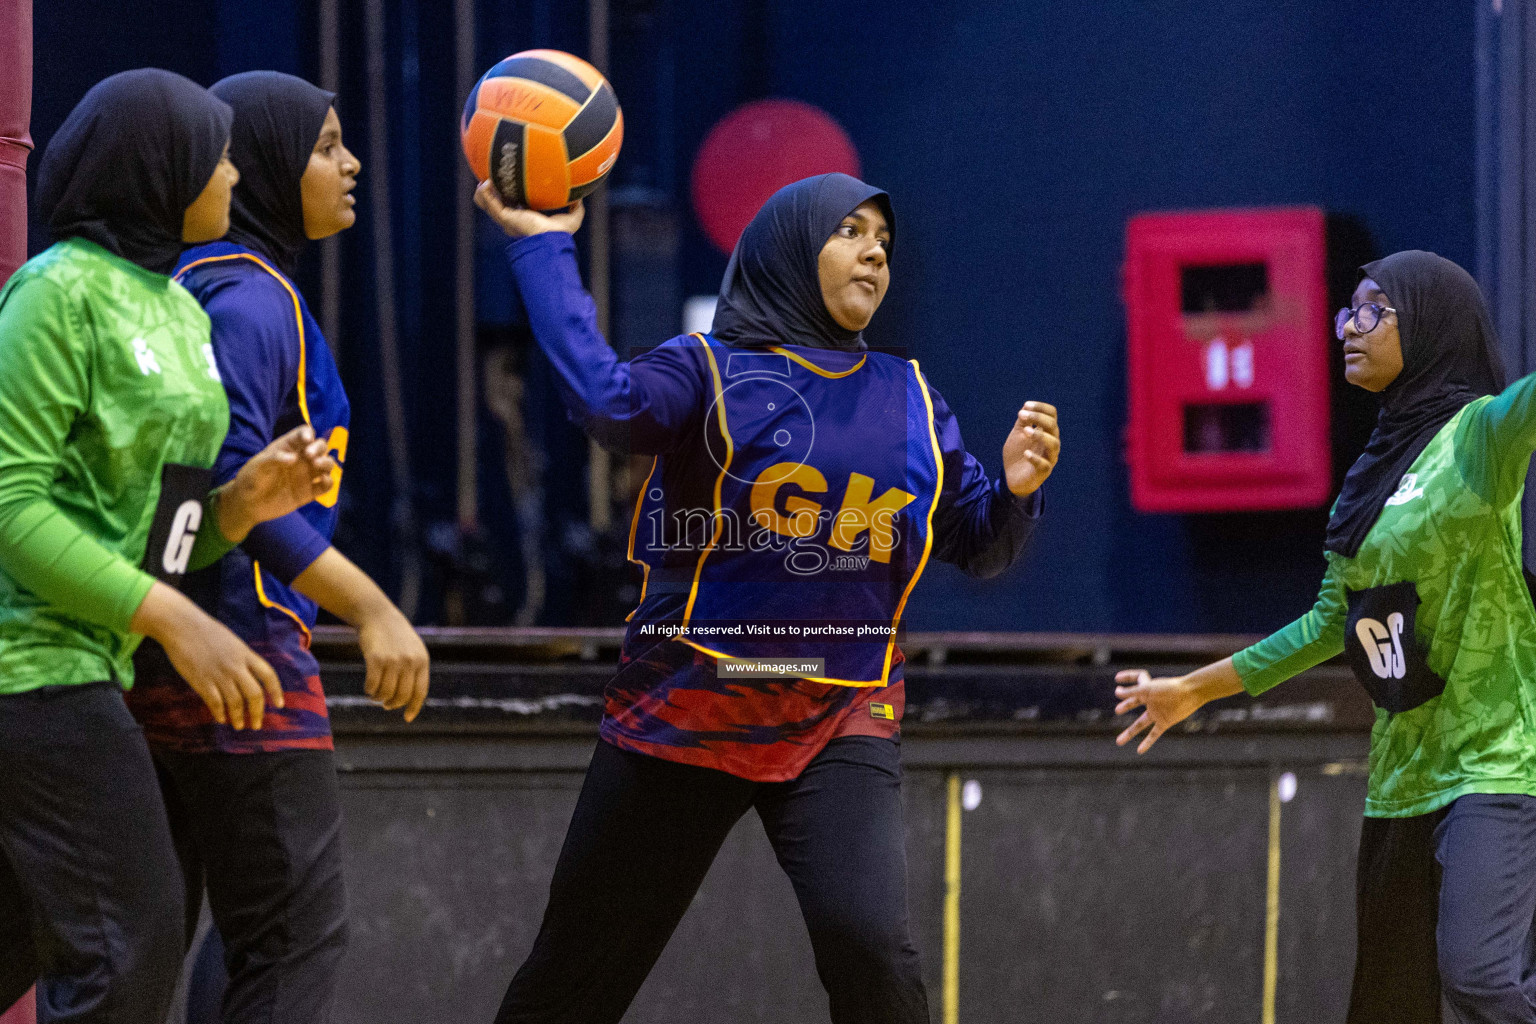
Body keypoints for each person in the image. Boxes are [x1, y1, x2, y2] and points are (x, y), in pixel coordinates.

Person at [473, 172, 1060, 1023]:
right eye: (850, 232)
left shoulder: (913, 397)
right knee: (572, 981)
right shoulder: (707, 370)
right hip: (687, 713)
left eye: (884, 244)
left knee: (875, 956)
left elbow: (979, 546)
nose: (873, 254)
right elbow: (605, 403)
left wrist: (1013, 490)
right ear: (789, 248)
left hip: (840, 711)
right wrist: (539, 246)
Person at [1114, 250, 1536, 1024]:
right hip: (1402, 779)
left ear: (1433, 327)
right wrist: (1191, 691)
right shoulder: (1368, 477)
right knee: (1387, 1007)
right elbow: (1327, 626)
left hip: (1496, 768)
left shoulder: (1480, 438)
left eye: (1375, 311)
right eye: (1349, 310)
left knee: (1477, 976)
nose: (1350, 326)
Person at [0, 69, 336, 1024]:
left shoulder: (184, 315)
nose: (232, 175)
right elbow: (10, 506)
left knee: (29, 942)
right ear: (159, 169)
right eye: (215, 155)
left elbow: (165, 543)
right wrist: (174, 622)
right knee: (129, 947)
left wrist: (239, 509)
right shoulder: (55, 294)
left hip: (91, 667)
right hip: (27, 671)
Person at [123, 70, 430, 1024]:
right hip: (238, 651)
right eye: (326, 143)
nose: (352, 163)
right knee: (292, 936)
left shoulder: (185, 289)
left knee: (159, 939)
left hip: (152, 651)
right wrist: (371, 608)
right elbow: (233, 488)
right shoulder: (255, 304)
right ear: (258, 164)